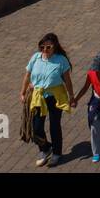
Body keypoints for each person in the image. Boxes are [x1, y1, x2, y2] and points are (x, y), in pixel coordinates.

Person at [21, 32, 75, 167]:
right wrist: (22, 92)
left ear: (55, 47)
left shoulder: (61, 60)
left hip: (55, 97)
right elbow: (27, 76)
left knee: (54, 126)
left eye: (48, 47)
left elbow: (67, 81)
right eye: (42, 47)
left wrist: (72, 97)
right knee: (36, 127)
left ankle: (57, 153)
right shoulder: (36, 58)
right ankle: (45, 148)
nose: (44, 50)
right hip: (38, 97)